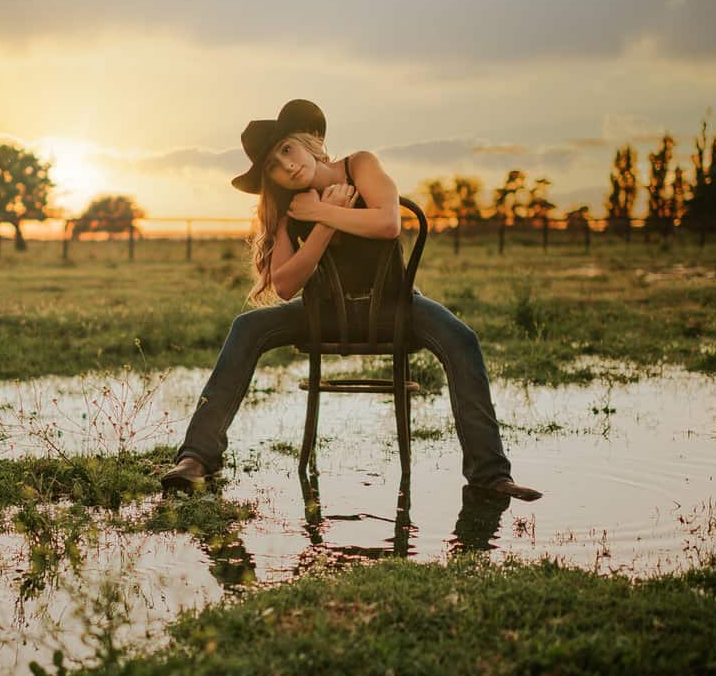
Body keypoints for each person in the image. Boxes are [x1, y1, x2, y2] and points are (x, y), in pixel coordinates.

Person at [161, 99, 541, 502]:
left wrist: (324, 209)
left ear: (306, 142)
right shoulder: (290, 209)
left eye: (287, 150)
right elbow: (286, 285)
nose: (286, 165)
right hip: (321, 314)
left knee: (462, 340)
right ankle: (196, 459)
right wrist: (324, 223)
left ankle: (490, 475)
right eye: (273, 164)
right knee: (246, 327)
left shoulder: (358, 166)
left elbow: (388, 222)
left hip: (396, 310)